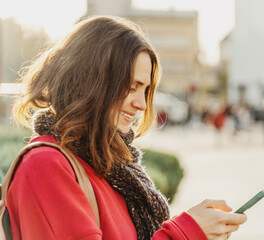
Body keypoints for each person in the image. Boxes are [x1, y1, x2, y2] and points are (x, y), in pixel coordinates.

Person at [8, 16, 247, 240]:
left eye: (146, 90)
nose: (142, 104)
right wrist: (186, 232)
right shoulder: (46, 165)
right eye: (132, 86)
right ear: (90, 80)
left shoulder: (116, 168)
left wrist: (198, 228)